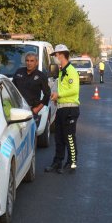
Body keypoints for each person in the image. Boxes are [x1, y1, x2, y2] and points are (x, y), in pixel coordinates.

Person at [45, 44, 79, 173]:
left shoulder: (71, 71)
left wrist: (59, 95)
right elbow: (61, 88)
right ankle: (57, 162)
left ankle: (72, 163)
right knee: (58, 138)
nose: (55, 58)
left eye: (55, 55)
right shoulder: (61, 70)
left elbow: (74, 89)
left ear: (61, 55)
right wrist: (56, 98)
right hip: (61, 108)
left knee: (69, 137)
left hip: (70, 109)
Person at [12, 52, 50, 126]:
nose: (29, 63)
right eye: (27, 60)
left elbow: (47, 94)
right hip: (18, 109)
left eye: (32, 61)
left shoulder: (41, 76)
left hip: (32, 109)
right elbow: (12, 89)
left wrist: (37, 109)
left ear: (36, 62)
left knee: (33, 133)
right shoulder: (19, 72)